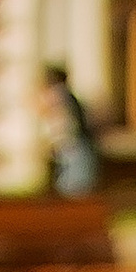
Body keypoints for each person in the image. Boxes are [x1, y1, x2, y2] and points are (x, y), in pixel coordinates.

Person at [40, 67, 101, 198]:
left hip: (73, 143)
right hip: (73, 143)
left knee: (74, 181)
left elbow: (63, 123)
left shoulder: (60, 95)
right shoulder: (68, 96)